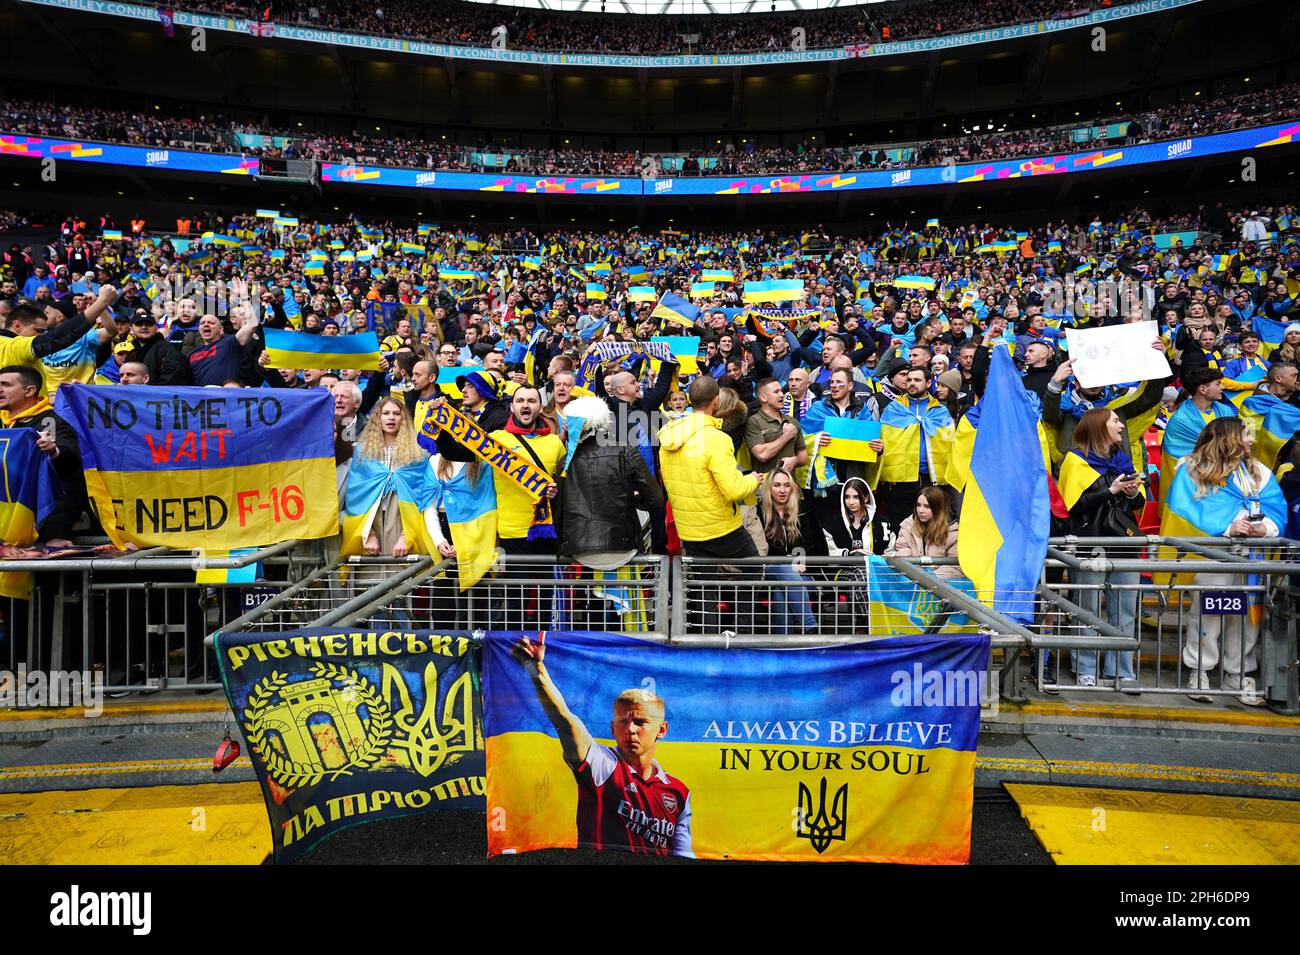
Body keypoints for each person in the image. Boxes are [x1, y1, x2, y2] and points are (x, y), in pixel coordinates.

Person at [512, 635, 693, 857]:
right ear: (612, 728)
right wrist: (535, 669)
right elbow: (565, 721)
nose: (631, 729)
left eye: (640, 722)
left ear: (662, 730)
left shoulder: (679, 793)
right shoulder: (603, 764)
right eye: (623, 722)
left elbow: (683, 854)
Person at [1161, 417, 1286, 704]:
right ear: (1228, 438)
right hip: (1212, 557)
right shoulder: (1192, 471)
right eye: (1246, 435)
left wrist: (1263, 528)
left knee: (1246, 619)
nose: (1251, 441)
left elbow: (1276, 509)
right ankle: (1199, 670)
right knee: (1208, 613)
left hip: (1252, 557)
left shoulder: (1259, 472)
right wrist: (1230, 527)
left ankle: (1239, 674)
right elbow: (1185, 513)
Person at [1057, 408, 1144, 689]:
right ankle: (1085, 668)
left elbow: (1138, 504)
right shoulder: (1075, 461)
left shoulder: (1122, 460)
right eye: (1116, 421)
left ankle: (1122, 670)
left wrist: (1132, 493)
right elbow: (1072, 507)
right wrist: (1111, 491)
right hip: (1090, 543)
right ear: (1099, 427)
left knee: (1126, 610)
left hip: (1124, 543)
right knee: (1087, 609)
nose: (1121, 425)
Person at [658, 375, 763, 559]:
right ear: (716, 400)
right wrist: (753, 479)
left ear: (689, 400)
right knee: (754, 575)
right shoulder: (717, 439)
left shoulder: (669, 435)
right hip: (720, 529)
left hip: (688, 530)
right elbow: (735, 490)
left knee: (704, 586)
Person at [558, 395, 663, 572]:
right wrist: (634, 499)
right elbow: (656, 499)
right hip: (622, 545)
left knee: (590, 600)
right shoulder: (625, 450)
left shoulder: (564, 462)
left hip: (578, 549)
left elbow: (559, 509)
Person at [0, 364, 94, 544]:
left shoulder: (51, 421)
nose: (0, 390)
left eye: (6, 384)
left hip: (41, 523)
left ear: (29, 391)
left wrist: (53, 450)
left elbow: (69, 464)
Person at [341, 398, 431, 559]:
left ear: (403, 419)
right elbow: (355, 495)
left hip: (403, 520)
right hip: (370, 520)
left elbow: (421, 494)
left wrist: (406, 536)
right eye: (386, 413)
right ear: (378, 418)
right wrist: (367, 534)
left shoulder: (418, 453)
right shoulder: (362, 452)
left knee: (402, 575)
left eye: (397, 414)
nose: (391, 418)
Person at [876, 366, 955, 542]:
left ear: (928, 383)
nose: (911, 383)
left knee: (935, 528)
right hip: (900, 483)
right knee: (901, 528)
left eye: (917, 380)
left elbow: (949, 447)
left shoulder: (941, 412)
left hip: (931, 480)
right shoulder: (893, 409)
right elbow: (884, 442)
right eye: (909, 379)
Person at [741, 468, 824, 633]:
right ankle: (810, 626)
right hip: (770, 573)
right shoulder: (758, 513)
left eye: (787, 485)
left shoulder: (804, 511)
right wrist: (789, 561)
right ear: (768, 488)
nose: (782, 490)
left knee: (782, 589)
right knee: (784, 572)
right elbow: (759, 548)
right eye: (777, 485)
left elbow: (819, 547)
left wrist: (801, 559)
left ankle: (784, 644)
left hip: (804, 575)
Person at [892, 485, 960, 579]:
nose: (920, 510)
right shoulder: (908, 525)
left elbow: (955, 567)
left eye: (927, 507)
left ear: (938, 508)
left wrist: (929, 579)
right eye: (918, 505)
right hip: (911, 584)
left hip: (942, 588)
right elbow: (901, 554)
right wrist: (918, 578)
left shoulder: (953, 532)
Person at [744, 378, 808, 476]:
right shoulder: (753, 422)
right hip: (764, 486)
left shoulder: (792, 421)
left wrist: (795, 460)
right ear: (763, 398)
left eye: (781, 391)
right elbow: (762, 455)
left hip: (790, 486)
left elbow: (803, 455)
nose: (782, 395)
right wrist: (786, 436)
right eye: (776, 392)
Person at [187, 311, 261, 386]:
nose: (206, 324)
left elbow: (252, 324)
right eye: (202, 323)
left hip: (225, 396)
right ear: (199, 330)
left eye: (211, 323)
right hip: (200, 396)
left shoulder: (230, 343)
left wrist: (245, 299)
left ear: (221, 330)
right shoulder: (191, 354)